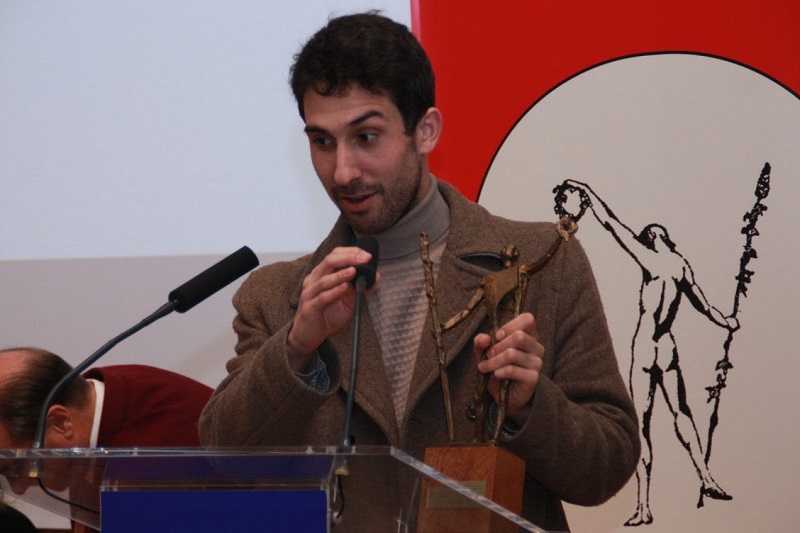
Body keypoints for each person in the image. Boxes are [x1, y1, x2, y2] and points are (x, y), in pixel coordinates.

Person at [199, 12, 639, 531]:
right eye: (322, 142)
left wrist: (530, 406)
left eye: (366, 137)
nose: (343, 171)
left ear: (425, 131)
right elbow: (226, 458)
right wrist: (296, 350)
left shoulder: (541, 262)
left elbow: (607, 467)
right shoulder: (277, 297)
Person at [561, 180, 739, 525]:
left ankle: (660, 499)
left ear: (654, 238)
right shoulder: (678, 264)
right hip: (663, 346)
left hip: (648, 347)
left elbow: (611, 223)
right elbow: (705, 308)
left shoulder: (656, 261)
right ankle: (688, 485)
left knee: (651, 422)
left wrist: (586, 191)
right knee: (669, 417)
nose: (654, 233)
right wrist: (726, 322)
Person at [0, 346, 213, 532]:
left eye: (16, 467)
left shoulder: (157, 457)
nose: (18, 489)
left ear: (60, 422)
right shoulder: (92, 399)